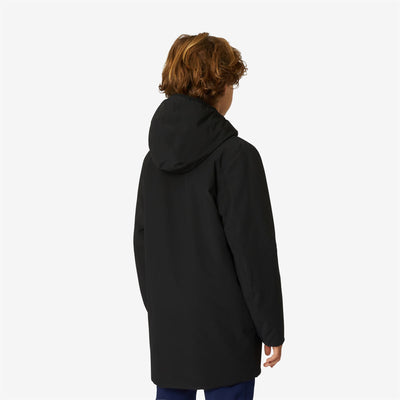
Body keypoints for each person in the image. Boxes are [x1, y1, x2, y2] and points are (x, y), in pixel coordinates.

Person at [133, 32, 285, 400]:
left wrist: (163, 311)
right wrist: (271, 328)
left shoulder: (153, 161)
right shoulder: (237, 156)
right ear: (220, 86)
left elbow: (142, 244)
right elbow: (253, 252)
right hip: (228, 334)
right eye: (232, 82)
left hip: (170, 334)